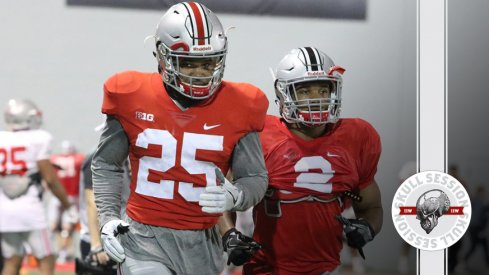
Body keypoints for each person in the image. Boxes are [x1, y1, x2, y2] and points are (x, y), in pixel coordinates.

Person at [91, 2, 269, 275]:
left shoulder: (243, 104)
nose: (200, 73)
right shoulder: (130, 95)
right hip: (143, 238)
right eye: (188, 62)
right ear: (162, 55)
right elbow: (106, 164)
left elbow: (255, 177)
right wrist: (108, 218)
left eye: (209, 62)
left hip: (204, 243)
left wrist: (237, 197)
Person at [239, 47, 383, 275]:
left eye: (323, 89)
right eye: (305, 91)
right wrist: (229, 234)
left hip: (326, 269)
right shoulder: (260, 135)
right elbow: (223, 196)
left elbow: (371, 207)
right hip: (266, 269)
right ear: (284, 93)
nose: (317, 98)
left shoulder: (356, 138)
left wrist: (368, 228)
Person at [0, 99, 77, 275]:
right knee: (47, 258)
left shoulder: (2, 139)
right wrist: (67, 205)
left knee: (12, 261)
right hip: (29, 208)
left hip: (4, 209)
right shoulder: (38, 138)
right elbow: (50, 179)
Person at [49, 140, 84, 263]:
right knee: (66, 228)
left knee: (53, 226)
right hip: (71, 198)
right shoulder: (79, 159)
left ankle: (45, 251)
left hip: (56, 196)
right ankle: (62, 254)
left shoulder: (54, 159)